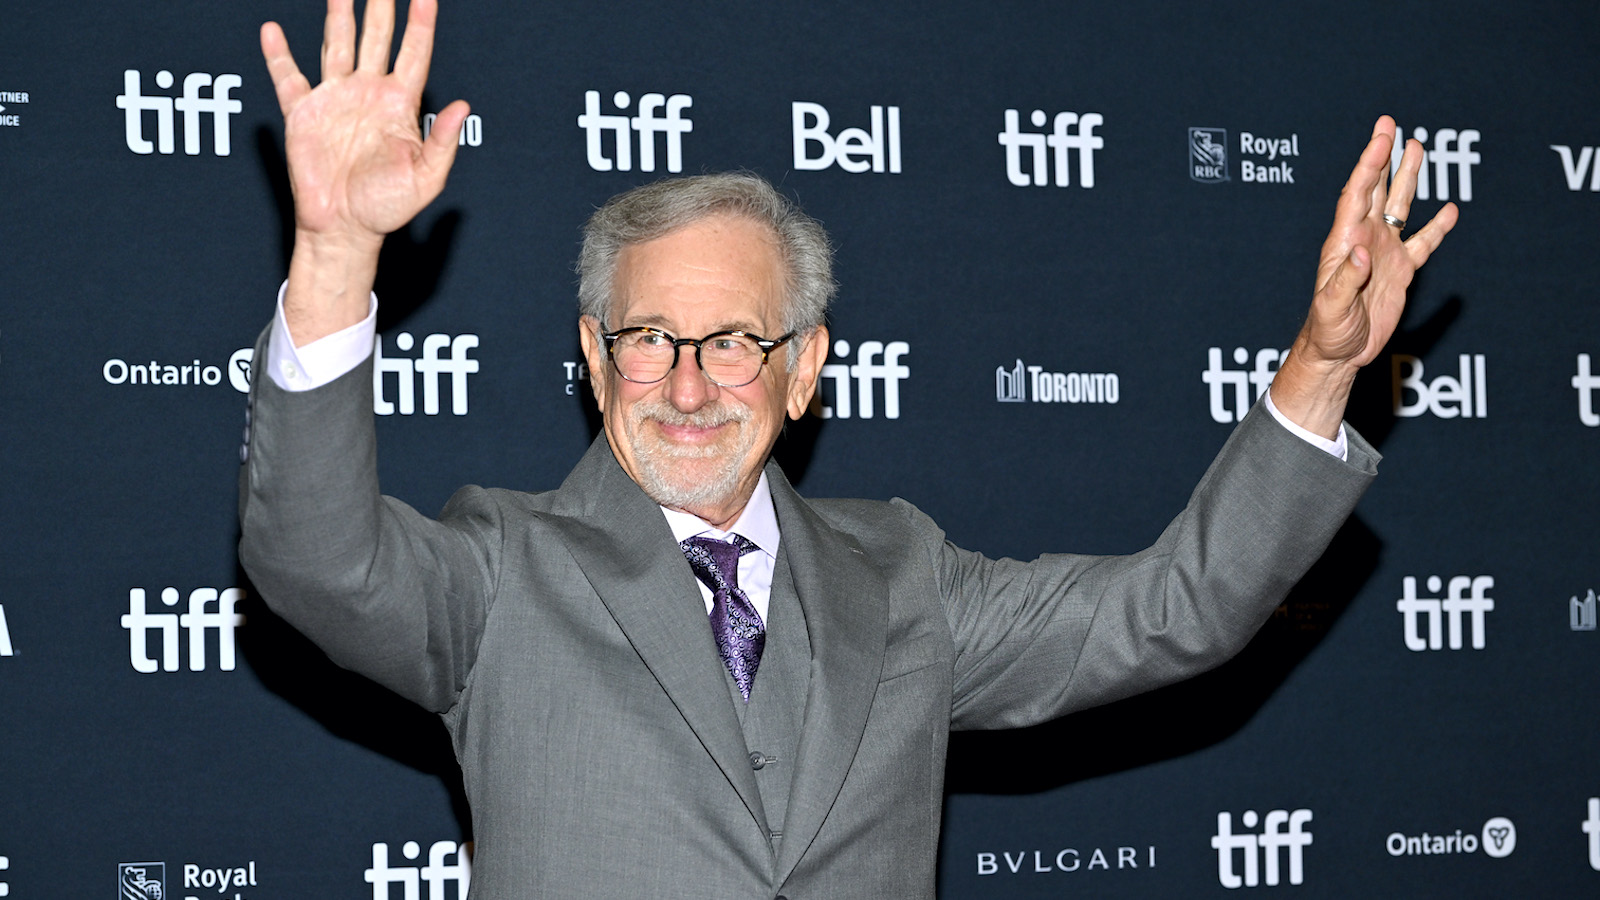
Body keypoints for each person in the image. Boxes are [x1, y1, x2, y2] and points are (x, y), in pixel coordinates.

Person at [240, 0, 1457, 896]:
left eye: (734, 343)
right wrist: (339, 252)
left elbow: (1174, 610)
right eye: (650, 337)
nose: (686, 382)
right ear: (596, 354)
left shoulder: (902, 573)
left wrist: (1323, 363)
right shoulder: (501, 570)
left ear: (805, 368)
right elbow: (316, 560)